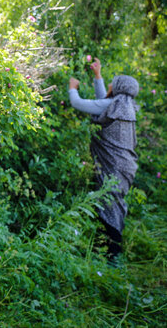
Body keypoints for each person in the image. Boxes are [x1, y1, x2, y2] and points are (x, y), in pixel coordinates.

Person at [68, 58, 139, 261]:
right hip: (126, 165)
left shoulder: (112, 105)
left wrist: (73, 88)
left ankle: (112, 257)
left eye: (112, 82)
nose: (110, 84)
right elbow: (103, 104)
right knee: (113, 203)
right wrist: (97, 75)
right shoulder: (125, 106)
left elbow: (79, 103)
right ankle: (108, 252)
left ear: (118, 88)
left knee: (109, 204)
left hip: (113, 165)